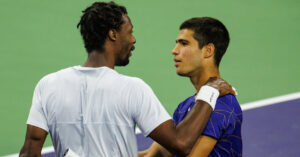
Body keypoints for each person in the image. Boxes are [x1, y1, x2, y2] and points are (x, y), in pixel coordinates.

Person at [19, 2, 235, 157]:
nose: (133, 40)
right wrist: (210, 90)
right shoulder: (133, 89)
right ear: (113, 35)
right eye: (129, 32)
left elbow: (30, 151)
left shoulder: (48, 84)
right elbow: (181, 143)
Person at [139, 17, 242, 157]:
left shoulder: (220, 106)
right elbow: (151, 155)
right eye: (177, 44)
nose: (174, 51)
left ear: (208, 50)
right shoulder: (186, 105)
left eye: (184, 43)